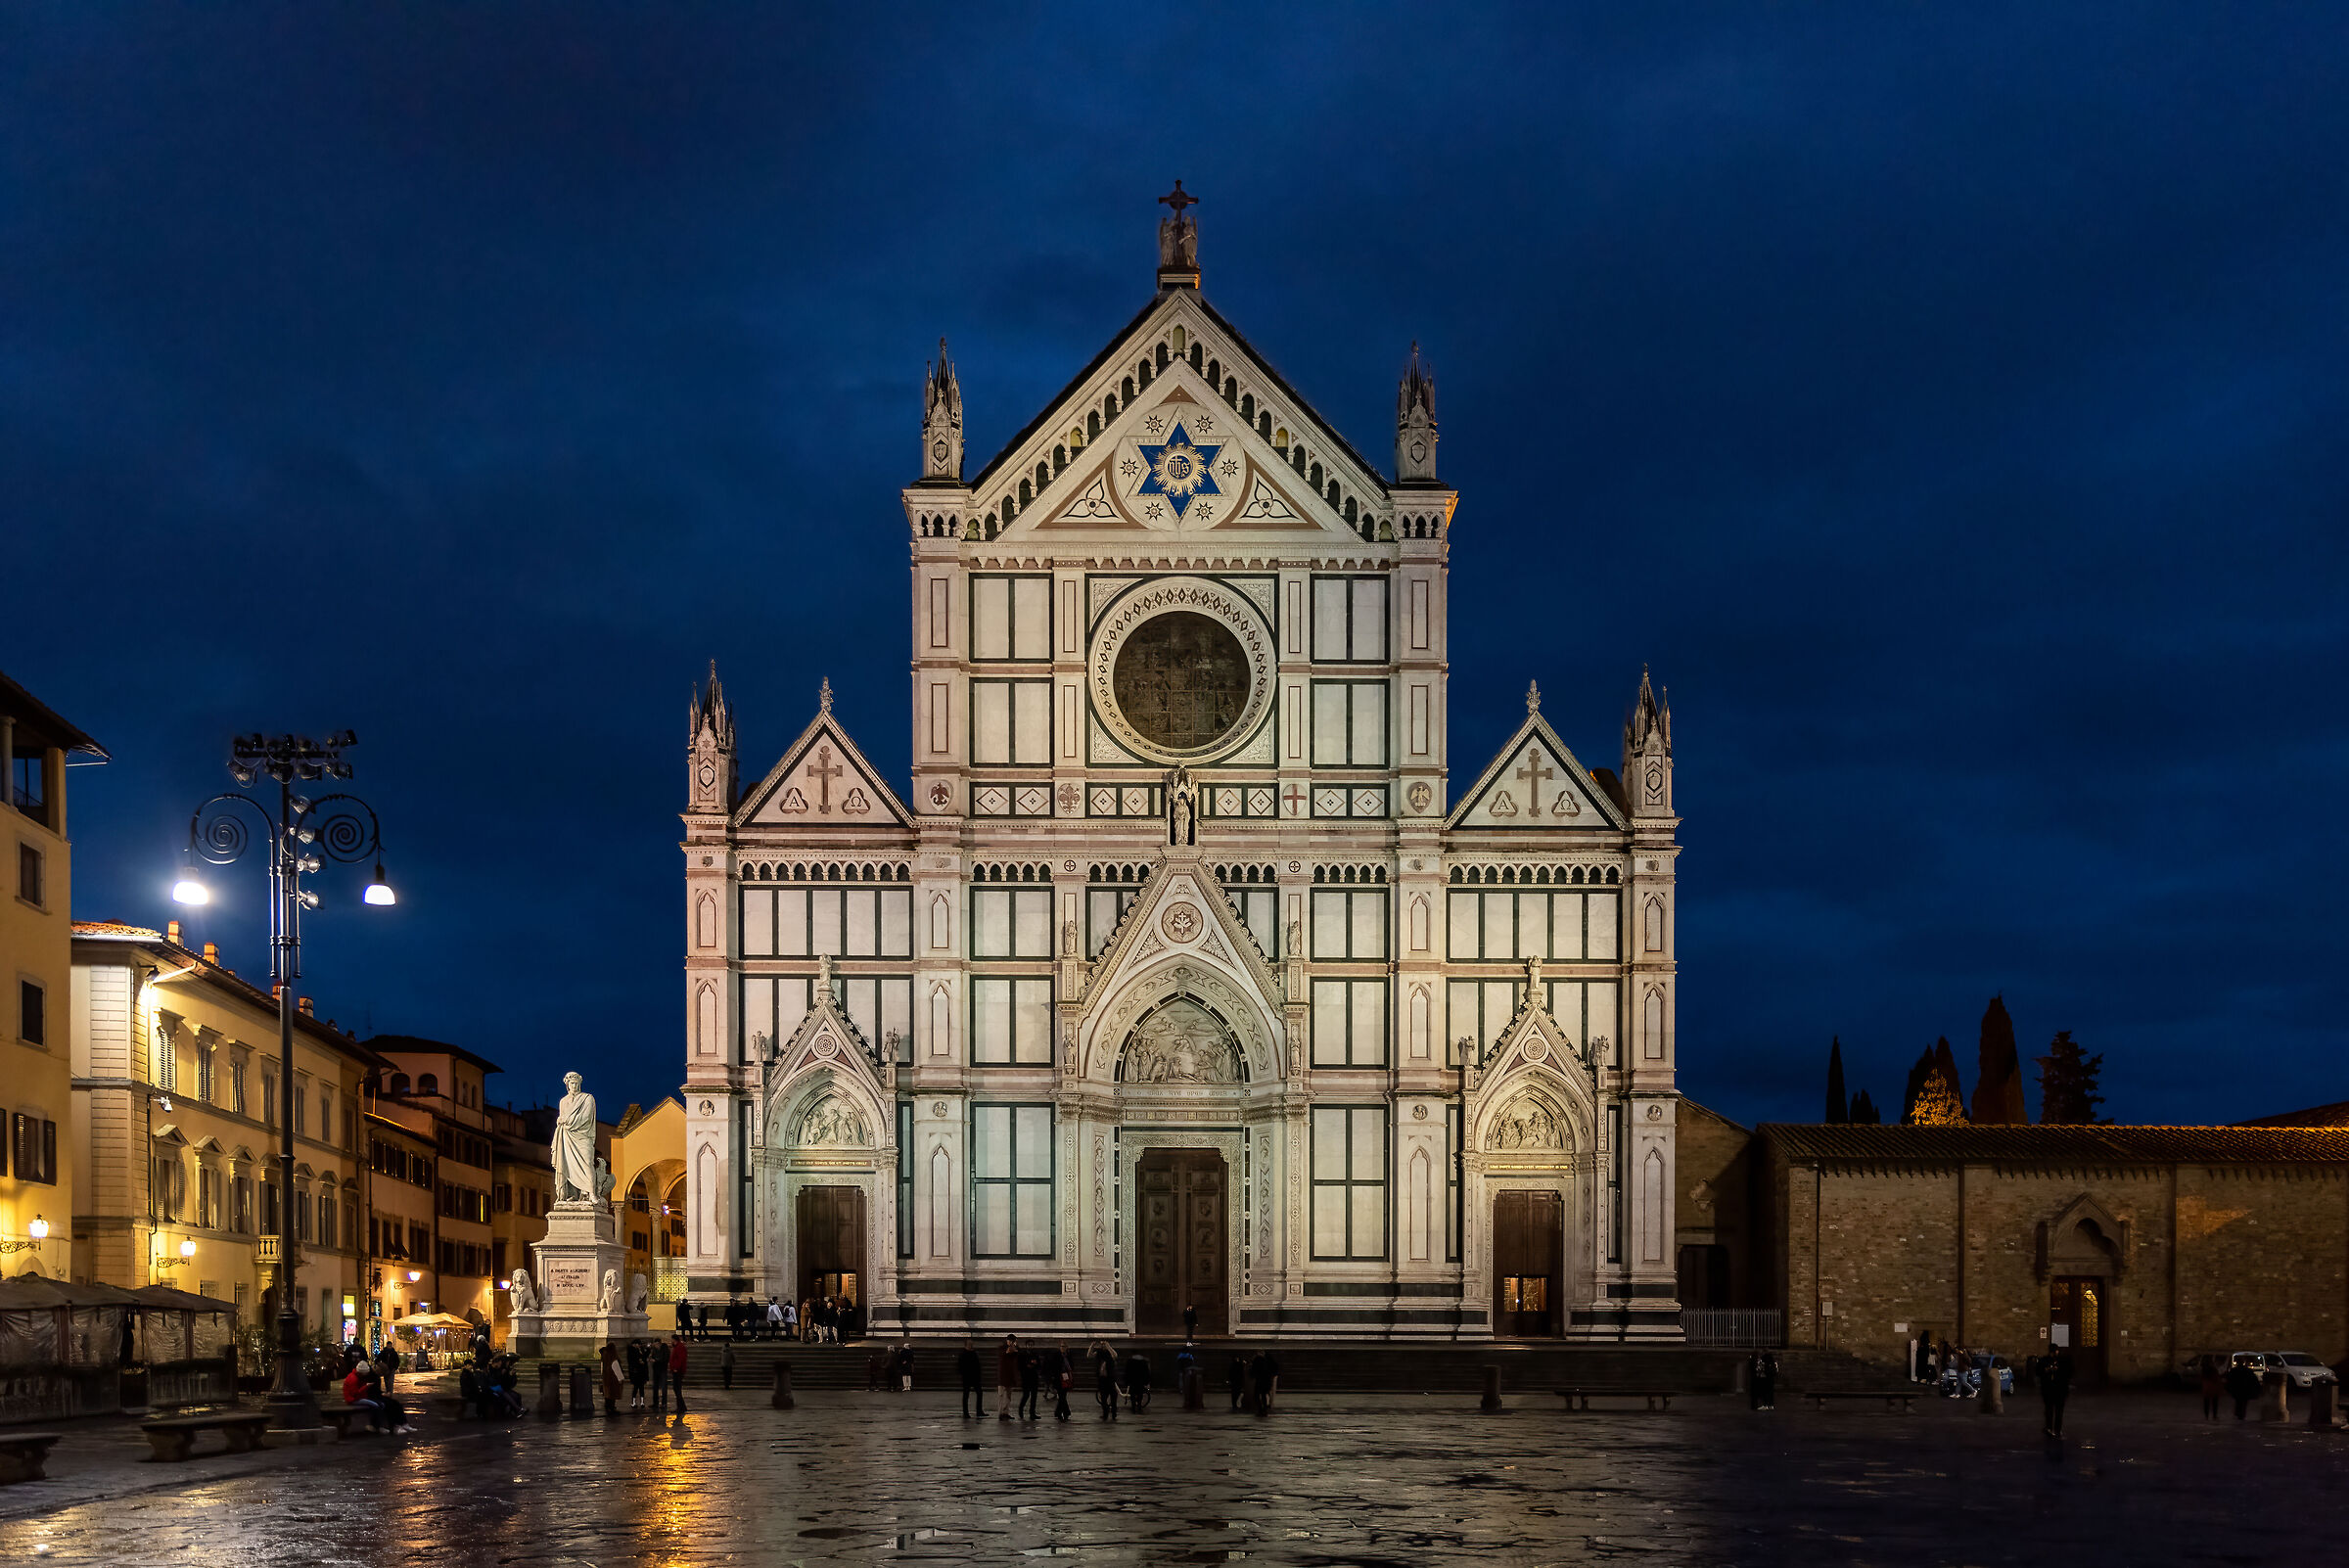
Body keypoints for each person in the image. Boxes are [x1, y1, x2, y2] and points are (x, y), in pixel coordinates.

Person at [2041, 1347, 2075, 1437]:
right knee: (2056, 1410)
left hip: (2054, 1389)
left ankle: (2051, 1428)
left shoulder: (2058, 1361)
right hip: (2057, 1390)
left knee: (2051, 1410)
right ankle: (2056, 1429)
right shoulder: (2064, 1361)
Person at [2223, 1357, 2263, 1421]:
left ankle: (2238, 1414)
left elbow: (2229, 1379)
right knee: (2243, 1403)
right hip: (2245, 1390)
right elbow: (2254, 1380)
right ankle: (2241, 1415)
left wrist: (2228, 1388)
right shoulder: (2247, 1371)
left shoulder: (2234, 1370)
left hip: (2237, 1390)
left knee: (2238, 1402)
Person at [1093, 1340, 1122, 1421]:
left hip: (1110, 1379)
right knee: (1103, 1398)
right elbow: (1089, 1355)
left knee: (1113, 1397)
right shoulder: (1099, 1354)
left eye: (1104, 1344)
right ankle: (1105, 1413)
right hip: (1102, 1379)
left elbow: (1115, 1355)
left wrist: (1108, 1346)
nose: (1103, 1345)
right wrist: (1092, 1346)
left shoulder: (1110, 1355)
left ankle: (1113, 1413)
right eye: (1102, 1344)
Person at [956, 1339, 984, 1417]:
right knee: (966, 1395)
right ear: (966, 1345)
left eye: (972, 1344)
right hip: (967, 1378)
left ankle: (979, 1411)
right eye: (970, 1344)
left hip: (975, 1377)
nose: (971, 1345)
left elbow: (977, 1365)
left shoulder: (973, 1353)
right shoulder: (963, 1354)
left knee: (979, 1393)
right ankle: (966, 1413)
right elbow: (960, 1366)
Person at [996, 1335, 1021, 1421]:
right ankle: (1000, 1413)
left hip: (1010, 1375)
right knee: (1001, 1395)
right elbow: (1006, 1352)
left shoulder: (1015, 1350)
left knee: (1008, 1396)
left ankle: (1006, 1412)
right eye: (1010, 1341)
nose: (1011, 1342)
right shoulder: (1002, 1348)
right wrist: (1011, 1349)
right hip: (1003, 1375)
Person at [1049, 1343, 1073, 1422]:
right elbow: (1053, 1366)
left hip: (1066, 1377)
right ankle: (1066, 1412)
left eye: (1064, 1346)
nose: (1062, 1348)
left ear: (1067, 1347)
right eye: (1061, 1346)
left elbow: (1071, 1365)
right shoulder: (1056, 1355)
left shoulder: (1068, 1356)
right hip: (1059, 1378)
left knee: (1063, 1395)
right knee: (1062, 1396)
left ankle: (1058, 1412)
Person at [650, 1330, 672, 1413]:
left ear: (659, 1343)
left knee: (663, 1387)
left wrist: (655, 1360)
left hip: (662, 1369)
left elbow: (665, 1359)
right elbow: (652, 1356)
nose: (655, 1346)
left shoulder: (664, 1349)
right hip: (656, 1369)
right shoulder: (654, 1350)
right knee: (655, 1387)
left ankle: (664, 1403)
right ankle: (655, 1403)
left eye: (656, 1344)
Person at [1018, 1342, 1041, 1421]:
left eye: (1031, 1345)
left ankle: (1032, 1413)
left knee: (1034, 1396)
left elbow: (1039, 1364)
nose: (1030, 1346)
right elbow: (1019, 1365)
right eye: (1029, 1345)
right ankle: (1021, 1409)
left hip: (1034, 1377)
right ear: (1026, 1345)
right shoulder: (1022, 1354)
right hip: (1026, 1377)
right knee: (1026, 1395)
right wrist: (1027, 1365)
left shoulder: (1035, 1354)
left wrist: (1036, 1363)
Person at [668, 1333, 690, 1416]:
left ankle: (681, 1407)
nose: (671, 1341)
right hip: (676, 1370)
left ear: (674, 1340)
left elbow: (681, 1359)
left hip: (678, 1371)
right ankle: (682, 1406)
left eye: (672, 1339)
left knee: (677, 1388)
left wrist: (676, 1368)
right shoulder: (677, 1347)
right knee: (677, 1389)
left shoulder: (680, 1347)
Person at [1248, 1349, 1272, 1417]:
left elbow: (1253, 1371)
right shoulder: (1266, 1361)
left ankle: (1260, 1409)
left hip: (1260, 1381)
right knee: (1263, 1395)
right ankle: (1264, 1409)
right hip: (1266, 1380)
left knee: (1256, 1395)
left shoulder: (1257, 1360)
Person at [599, 1343, 622, 1417]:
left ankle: (608, 1406)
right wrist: (620, 1378)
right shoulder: (613, 1356)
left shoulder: (604, 1356)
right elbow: (616, 1367)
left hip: (606, 1377)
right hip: (613, 1378)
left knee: (607, 1393)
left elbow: (602, 1367)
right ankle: (611, 1408)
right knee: (613, 1393)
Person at [624, 1340, 648, 1412]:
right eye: (638, 1344)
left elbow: (644, 1356)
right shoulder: (632, 1351)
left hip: (641, 1372)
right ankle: (634, 1402)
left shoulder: (640, 1350)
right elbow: (632, 1361)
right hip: (635, 1372)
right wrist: (639, 1361)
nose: (639, 1346)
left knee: (641, 1387)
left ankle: (642, 1402)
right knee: (636, 1388)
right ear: (634, 1344)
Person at [2199, 1355, 2224, 1420]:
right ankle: (2214, 1415)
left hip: (2206, 1387)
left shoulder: (2204, 1370)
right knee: (2214, 1402)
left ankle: (2206, 1415)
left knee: (2206, 1403)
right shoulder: (2213, 1369)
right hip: (2213, 1387)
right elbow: (2215, 1378)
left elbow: (2202, 1378)